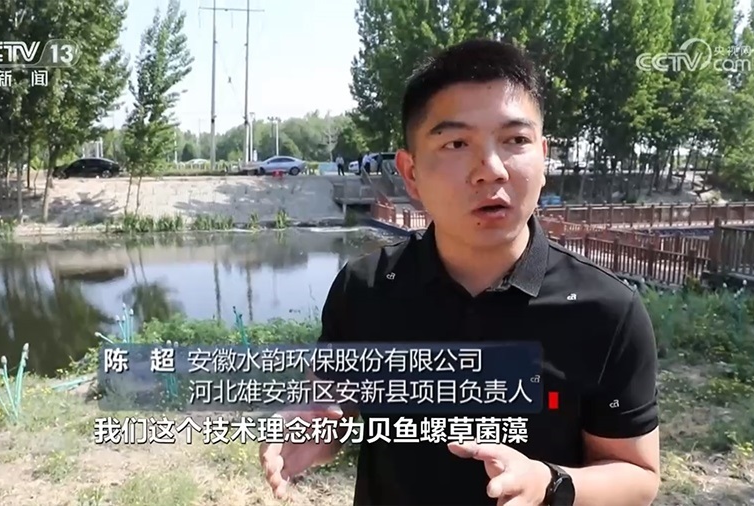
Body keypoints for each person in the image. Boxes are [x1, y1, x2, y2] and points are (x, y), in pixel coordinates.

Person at [259, 38, 660, 506]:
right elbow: (333, 407)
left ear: (543, 156)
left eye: (515, 140)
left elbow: (637, 476)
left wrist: (548, 483)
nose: (490, 170)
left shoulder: (607, 310)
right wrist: (313, 432)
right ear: (410, 173)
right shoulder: (365, 288)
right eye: (456, 143)